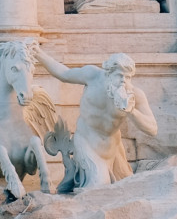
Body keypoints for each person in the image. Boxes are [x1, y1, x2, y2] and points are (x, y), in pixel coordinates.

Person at [33, 44, 156, 191]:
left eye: (128, 77)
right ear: (108, 73)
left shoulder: (134, 95)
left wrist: (131, 111)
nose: (124, 81)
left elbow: (152, 129)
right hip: (87, 142)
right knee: (99, 187)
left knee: (126, 189)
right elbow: (64, 74)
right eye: (119, 75)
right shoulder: (92, 76)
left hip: (114, 148)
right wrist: (39, 54)